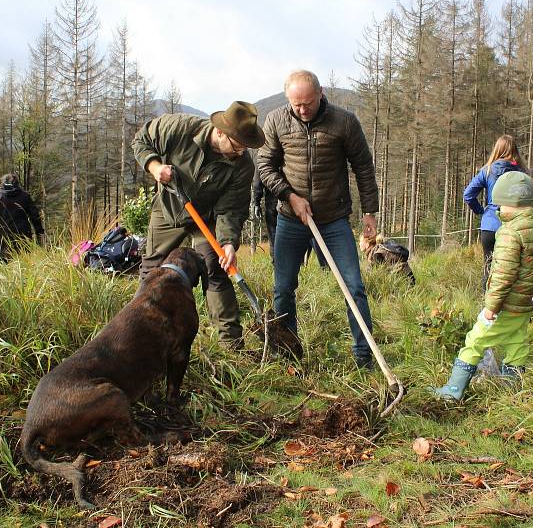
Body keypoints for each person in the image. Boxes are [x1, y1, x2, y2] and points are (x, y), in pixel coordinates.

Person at [258, 70, 379, 369]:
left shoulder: (344, 121)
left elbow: (363, 166)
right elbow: (265, 166)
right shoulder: (275, 120)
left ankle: (365, 357)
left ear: (321, 93)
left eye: (308, 103)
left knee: (354, 286)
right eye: (296, 105)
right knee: (283, 288)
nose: (302, 110)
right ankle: (289, 353)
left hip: (333, 218)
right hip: (290, 218)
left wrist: (369, 212)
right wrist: (290, 196)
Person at [132, 101, 265, 348]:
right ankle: (139, 334)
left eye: (245, 147)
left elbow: (231, 209)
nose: (240, 152)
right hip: (170, 207)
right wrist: (154, 166)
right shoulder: (180, 128)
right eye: (237, 146)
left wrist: (227, 244)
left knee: (215, 267)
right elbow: (141, 140)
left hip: (206, 215)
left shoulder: (242, 164)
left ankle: (231, 344)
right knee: (151, 269)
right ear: (220, 132)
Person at [434, 171, 533, 400]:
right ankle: (512, 387)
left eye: (500, 205)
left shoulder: (510, 233)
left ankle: (453, 391)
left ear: (512, 203)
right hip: (529, 300)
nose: (499, 211)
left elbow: (503, 274)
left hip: (507, 302)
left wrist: (491, 307)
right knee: (517, 340)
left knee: (475, 340)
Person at [463, 135, 526, 290]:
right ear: (515, 150)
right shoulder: (522, 173)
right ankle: (509, 309)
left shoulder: (487, 171)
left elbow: (468, 195)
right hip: (514, 226)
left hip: (490, 225)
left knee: (489, 267)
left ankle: (487, 308)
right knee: (513, 269)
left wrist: (482, 211)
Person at [0, 174, 45, 262]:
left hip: (2, 238)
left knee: (3, 267)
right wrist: (39, 231)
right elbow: (34, 215)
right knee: (24, 264)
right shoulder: (25, 196)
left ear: (1, 183)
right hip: (23, 237)